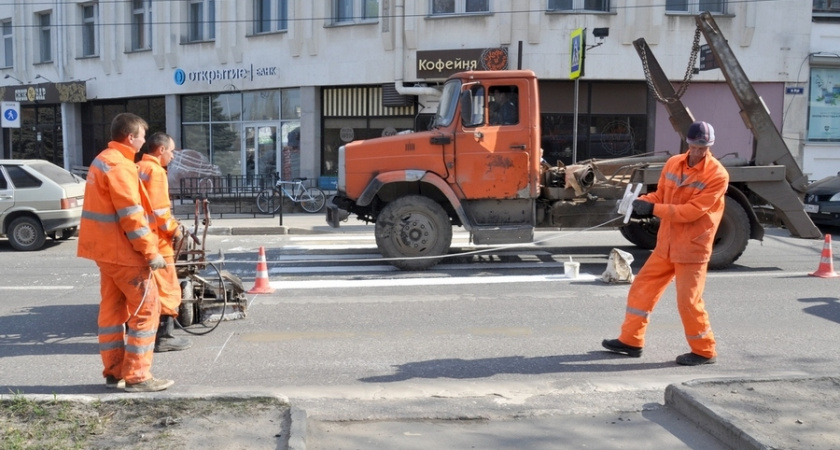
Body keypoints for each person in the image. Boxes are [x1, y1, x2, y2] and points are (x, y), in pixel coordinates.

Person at [602, 121, 728, 366]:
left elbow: (692, 211)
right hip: (667, 244)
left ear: (710, 146)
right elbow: (661, 194)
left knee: (688, 302)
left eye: (704, 148)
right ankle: (631, 341)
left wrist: (654, 208)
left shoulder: (717, 174)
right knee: (641, 289)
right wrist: (642, 202)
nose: (699, 152)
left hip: (692, 247)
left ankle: (704, 350)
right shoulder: (673, 163)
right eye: (695, 146)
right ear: (688, 143)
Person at [77, 113, 174, 392]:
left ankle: (114, 371)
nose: (145, 141)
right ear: (130, 137)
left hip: (105, 253)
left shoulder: (102, 160)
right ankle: (138, 376)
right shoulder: (120, 166)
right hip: (124, 254)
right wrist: (150, 252)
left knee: (111, 311)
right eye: (142, 136)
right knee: (148, 309)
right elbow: (132, 215)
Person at [137, 132, 192, 353]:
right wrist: (175, 229)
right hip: (158, 243)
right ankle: (164, 337)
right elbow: (160, 212)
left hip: (142, 240)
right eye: (171, 151)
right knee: (168, 290)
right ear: (160, 150)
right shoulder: (156, 171)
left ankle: (150, 336)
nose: (172, 156)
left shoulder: (138, 168)